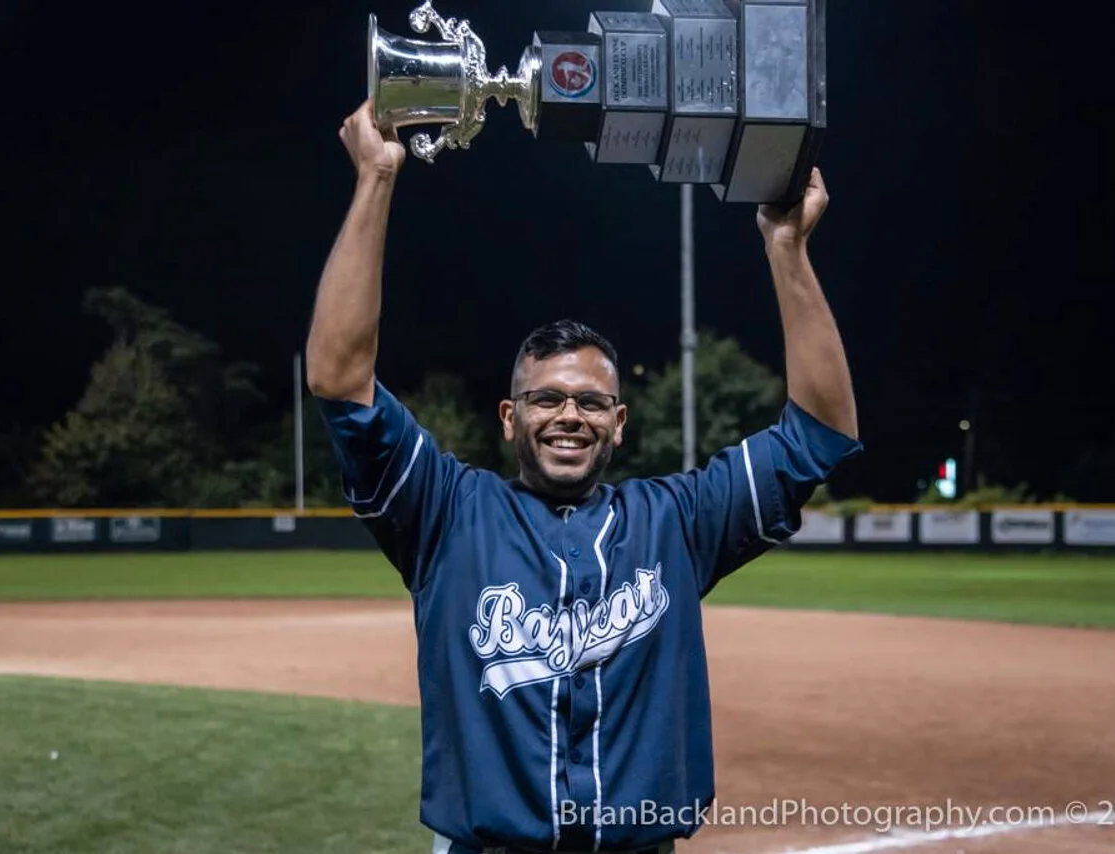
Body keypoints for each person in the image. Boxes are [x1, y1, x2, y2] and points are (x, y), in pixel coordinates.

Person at [305, 100, 862, 854]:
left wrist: (788, 250)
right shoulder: (445, 514)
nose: (570, 415)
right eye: (547, 399)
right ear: (509, 416)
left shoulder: (678, 522)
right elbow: (340, 381)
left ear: (619, 422)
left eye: (592, 402)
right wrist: (375, 179)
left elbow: (819, 435)